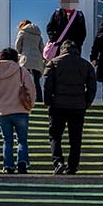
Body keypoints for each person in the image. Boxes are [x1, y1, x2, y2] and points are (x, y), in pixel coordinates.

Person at [42, 36, 97, 175]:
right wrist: (86, 102)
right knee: (75, 138)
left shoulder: (53, 63)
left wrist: (48, 102)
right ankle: (72, 167)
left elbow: (47, 85)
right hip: (78, 106)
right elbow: (92, 87)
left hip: (57, 105)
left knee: (55, 135)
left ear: (62, 50)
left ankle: (58, 162)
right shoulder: (85, 65)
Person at [0, 45, 36, 174]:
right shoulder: (22, 71)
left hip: (3, 112)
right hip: (21, 111)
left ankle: (8, 166)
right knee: (22, 140)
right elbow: (31, 89)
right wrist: (30, 104)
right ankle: (22, 163)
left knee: (7, 141)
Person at [15, 16, 46, 98]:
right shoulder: (38, 34)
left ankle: (25, 98)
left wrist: (20, 53)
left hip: (26, 59)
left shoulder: (22, 32)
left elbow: (18, 46)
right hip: (37, 61)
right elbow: (42, 49)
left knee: (24, 80)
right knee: (36, 81)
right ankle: (39, 99)